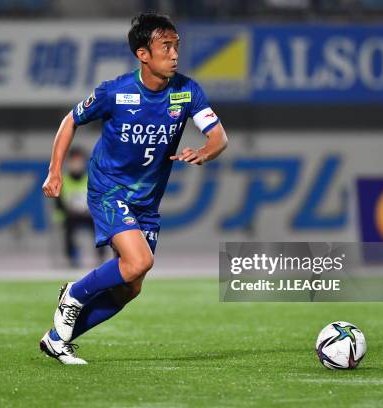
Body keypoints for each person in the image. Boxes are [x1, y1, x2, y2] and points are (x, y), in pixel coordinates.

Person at [39, 12, 228, 364]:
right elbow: (70, 121)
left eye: (176, 46)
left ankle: (57, 338)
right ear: (143, 54)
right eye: (166, 47)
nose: (174, 55)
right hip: (108, 189)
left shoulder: (187, 91)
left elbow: (219, 136)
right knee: (140, 260)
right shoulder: (116, 92)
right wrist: (55, 172)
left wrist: (205, 151)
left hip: (146, 202)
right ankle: (75, 293)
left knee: (131, 286)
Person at [54, 147, 107, 267]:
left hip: (89, 215)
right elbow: (58, 203)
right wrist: (68, 212)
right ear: (69, 163)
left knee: (100, 227)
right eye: (74, 161)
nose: (77, 164)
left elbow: (98, 200)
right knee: (68, 230)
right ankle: (73, 257)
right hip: (70, 215)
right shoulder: (63, 180)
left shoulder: (91, 179)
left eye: (79, 161)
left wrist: (89, 210)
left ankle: (101, 256)